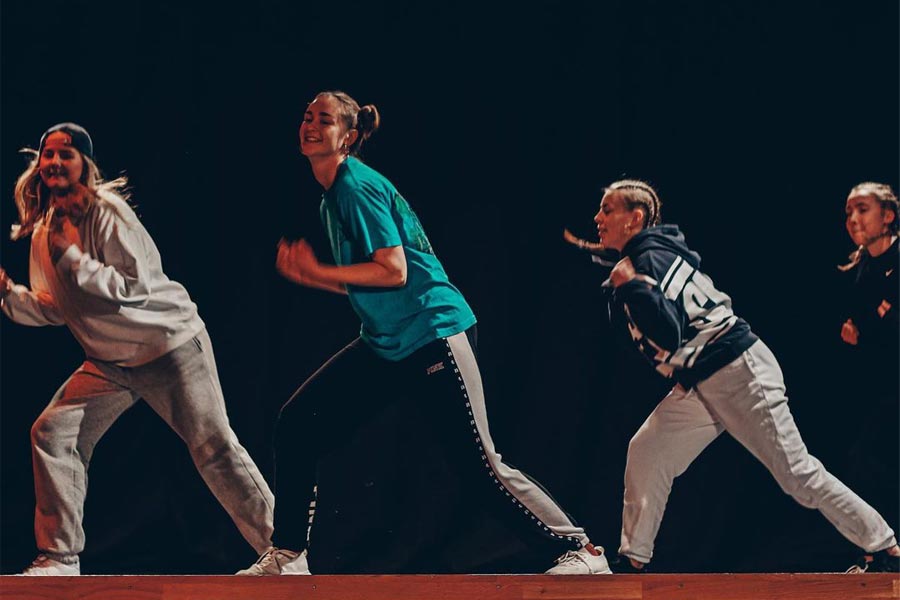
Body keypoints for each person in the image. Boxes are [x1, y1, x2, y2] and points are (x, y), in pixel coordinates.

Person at [238, 90, 610, 576]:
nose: (310, 125)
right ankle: (289, 553)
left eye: (324, 120)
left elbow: (392, 271)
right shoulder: (334, 197)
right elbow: (375, 279)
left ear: (347, 138)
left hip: (433, 333)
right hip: (387, 343)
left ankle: (579, 550)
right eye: (307, 116)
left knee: (479, 466)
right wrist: (319, 275)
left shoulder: (355, 186)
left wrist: (317, 273)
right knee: (298, 425)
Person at [0, 123, 275, 575]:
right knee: (53, 434)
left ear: (84, 165)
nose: (53, 163)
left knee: (214, 448)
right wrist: (9, 295)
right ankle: (59, 558)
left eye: (64, 154)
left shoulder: (109, 213)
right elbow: (55, 307)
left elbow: (134, 286)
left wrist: (74, 259)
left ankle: (283, 551)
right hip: (110, 362)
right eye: (47, 155)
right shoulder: (45, 230)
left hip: (169, 347)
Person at [586, 178, 899, 573]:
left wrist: (630, 286)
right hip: (706, 376)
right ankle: (634, 560)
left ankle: (885, 547)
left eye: (607, 209)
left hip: (737, 369)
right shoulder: (650, 254)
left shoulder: (646, 262)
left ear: (635, 218)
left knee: (797, 474)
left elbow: (668, 331)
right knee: (649, 449)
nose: (598, 217)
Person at [837, 182, 899, 570]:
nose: (853, 219)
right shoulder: (858, 269)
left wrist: (877, 324)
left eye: (862, 209)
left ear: (888, 216)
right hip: (882, 386)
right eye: (848, 212)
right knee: (865, 464)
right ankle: (875, 553)